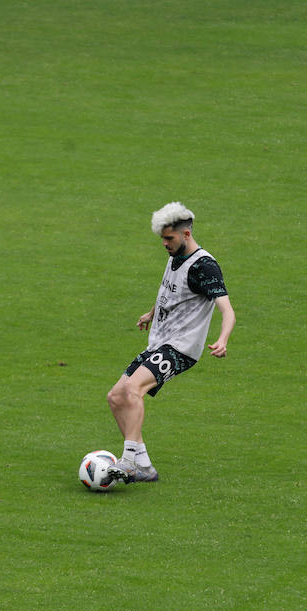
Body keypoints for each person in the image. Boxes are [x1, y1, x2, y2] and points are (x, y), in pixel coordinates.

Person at [106, 202, 236, 483]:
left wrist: (223, 339)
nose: (164, 244)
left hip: (181, 348)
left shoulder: (205, 267)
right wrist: (152, 313)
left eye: (169, 238)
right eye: (162, 238)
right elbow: (171, 291)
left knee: (132, 390)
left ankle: (128, 461)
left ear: (186, 234)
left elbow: (227, 309)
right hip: (159, 342)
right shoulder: (175, 255)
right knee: (116, 397)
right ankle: (144, 466)